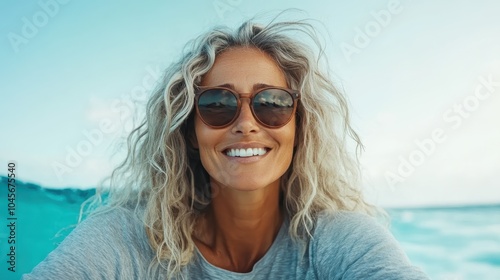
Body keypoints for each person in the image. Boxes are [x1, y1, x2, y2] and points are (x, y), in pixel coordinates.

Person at [23, 17, 429, 279]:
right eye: (218, 104)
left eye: (272, 103)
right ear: (188, 132)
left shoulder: (338, 241)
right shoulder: (127, 238)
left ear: (299, 127)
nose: (247, 123)